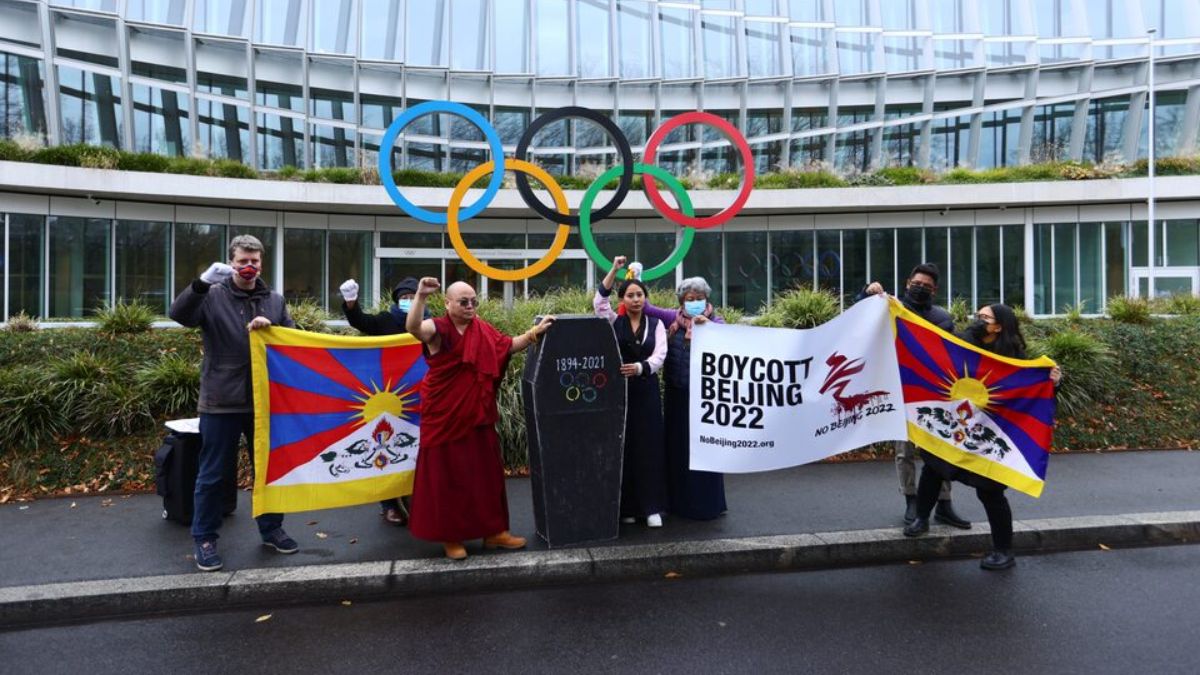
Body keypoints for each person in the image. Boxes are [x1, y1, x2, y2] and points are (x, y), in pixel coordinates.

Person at [169, 234, 298, 572]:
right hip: (221, 400)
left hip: (263, 401)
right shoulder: (212, 295)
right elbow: (179, 314)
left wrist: (271, 330)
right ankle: (205, 538)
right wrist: (200, 284)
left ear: (262, 263)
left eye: (254, 261)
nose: (249, 266)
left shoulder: (274, 300)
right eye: (243, 261)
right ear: (231, 263)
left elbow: (293, 341)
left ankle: (272, 529)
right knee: (213, 474)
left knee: (267, 471)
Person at [903, 303, 1063, 570]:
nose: (978, 320)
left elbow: (1029, 393)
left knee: (990, 492)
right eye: (978, 316)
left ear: (999, 326)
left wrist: (1053, 382)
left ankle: (1004, 550)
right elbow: (949, 355)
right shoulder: (966, 342)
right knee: (933, 467)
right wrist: (972, 333)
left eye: (984, 318)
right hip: (956, 425)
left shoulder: (1014, 357)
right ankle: (922, 518)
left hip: (987, 434)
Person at [404, 277, 555, 560]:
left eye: (474, 301)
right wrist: (421, 296)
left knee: (486, 476)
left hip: (477, 415)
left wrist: (535, 332)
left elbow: (508, 346)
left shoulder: (481, 329)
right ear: (448, 303)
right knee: (447, 477)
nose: (470, 306)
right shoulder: (439, 329)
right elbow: (414, 328)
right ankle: (451, 537)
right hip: (445, 416)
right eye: (463, 302)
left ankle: (494, 532)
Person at [604, 259, 727, 520]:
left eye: (700, 298)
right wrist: (633, 275)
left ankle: (707, 503)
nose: (695, 302)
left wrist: (709, 328)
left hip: (705, 399)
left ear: (707, 299)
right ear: (682, 301)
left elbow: (730, 347)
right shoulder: (672, 319)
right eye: (689, 299)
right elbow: (643, 305)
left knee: (704, 449)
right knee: (677, 448)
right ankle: (676, 502)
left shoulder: (717, 322)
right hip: (677, 395)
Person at [860, 262, 970, 530]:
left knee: (942, 449)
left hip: (934, 393)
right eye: (917, 284)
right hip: (900, 389)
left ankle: (944, 504)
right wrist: (867, 293)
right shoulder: (887, 308)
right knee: (904, 451)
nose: (920, 288)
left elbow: (952, 355)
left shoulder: (942, 319)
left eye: (926, 286)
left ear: (935, 290)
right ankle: (911, 499)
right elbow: (859, 318)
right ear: (908, 284)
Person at [338, 275, 427, 526]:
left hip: (421, 395)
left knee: (416, 449)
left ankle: (417, 499)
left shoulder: (429, 322)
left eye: (412, 297)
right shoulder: (387, 320)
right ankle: (389, 505)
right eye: (404, 298)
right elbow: (361, 321)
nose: (408, 301)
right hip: (390, 396)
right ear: (397, 301)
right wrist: (351, 302)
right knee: (386, 447)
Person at [595, 258, 669, 528]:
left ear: (645, 297)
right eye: (630, 295)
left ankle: (651, 508)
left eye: (639, 295)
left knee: (649, 447)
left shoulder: (656, 324)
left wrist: (641, 367)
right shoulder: (614, 321)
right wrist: (614, 269)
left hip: (647, 391)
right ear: (622, 299)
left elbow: (660, 355)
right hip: (620, 393)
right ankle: (626, 507)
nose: (636, 299)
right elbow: (599, 302)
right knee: (624, 447)